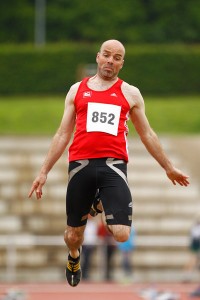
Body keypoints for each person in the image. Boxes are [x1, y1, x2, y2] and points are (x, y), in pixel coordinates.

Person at [28, 39, 190, 287]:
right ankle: (74, 257)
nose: (110, 61)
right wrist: (43, 172)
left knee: (122, 235)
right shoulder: (77, 90)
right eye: (106, 55)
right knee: (73, 236)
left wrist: (168, 167)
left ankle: (99, 203)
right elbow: (62, 134)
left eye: (116, 58)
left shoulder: (130, 93)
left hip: (113, 166)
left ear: (121, 63)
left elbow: (147, 134)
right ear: (97, 57)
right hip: (81, 166)